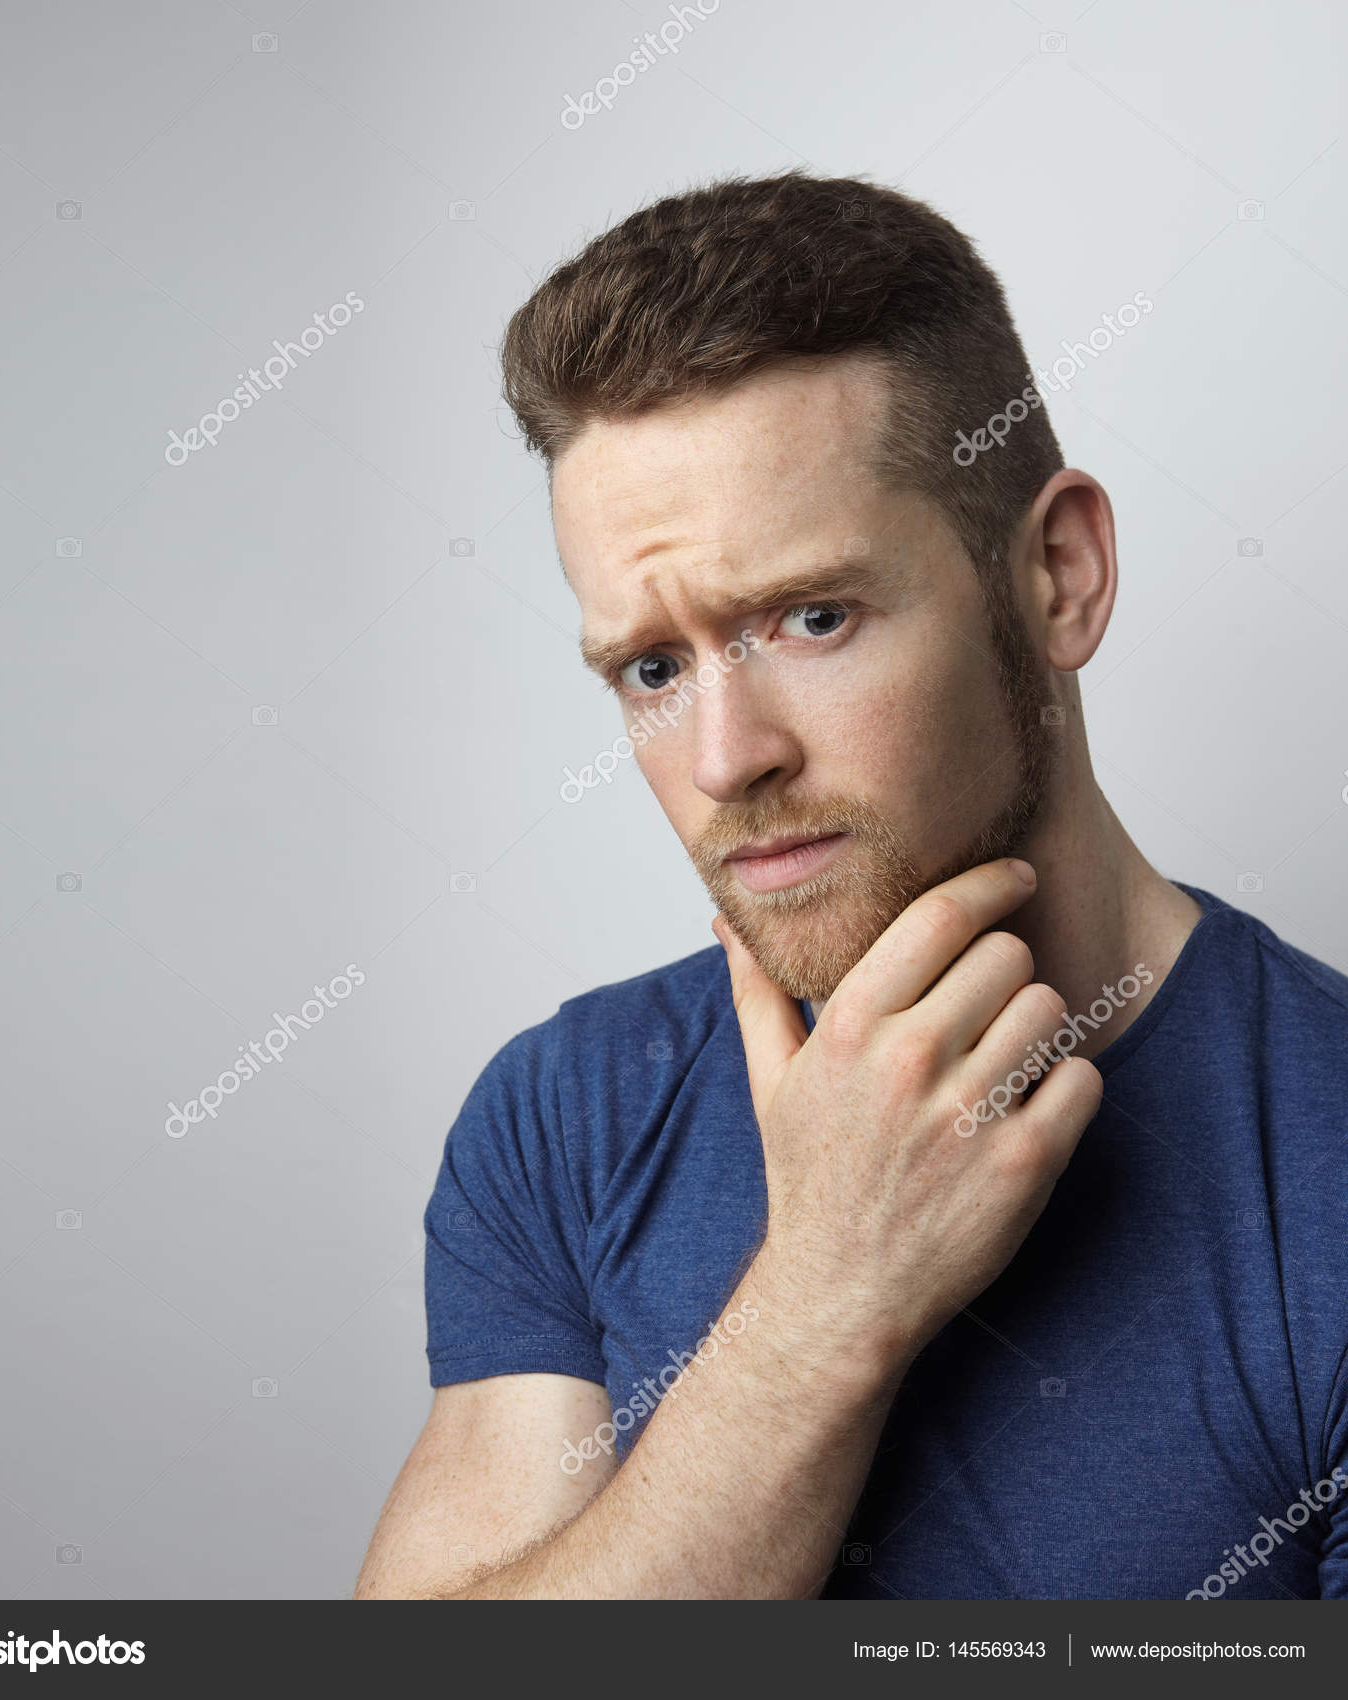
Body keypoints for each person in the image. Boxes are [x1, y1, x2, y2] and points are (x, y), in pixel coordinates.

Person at [354, 173, 1348, 1600]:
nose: (723, 758)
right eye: (651, 667)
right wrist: (826, 1296)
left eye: (810, 618)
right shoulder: (566, 1115)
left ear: (1056, 577)